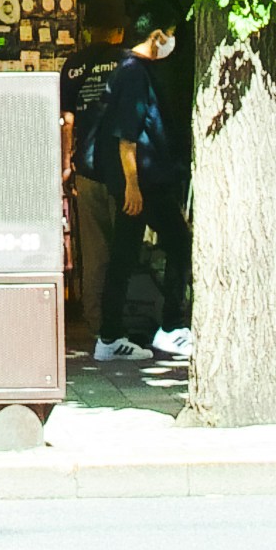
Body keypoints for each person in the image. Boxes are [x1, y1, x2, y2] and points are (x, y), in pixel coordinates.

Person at [76, 22, 188, 357]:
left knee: (122, 256)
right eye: (169, 35)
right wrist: (133, 186)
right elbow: (128, 137)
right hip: (145, 181)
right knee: (180, 244)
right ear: (156, 36)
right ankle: (170, 326)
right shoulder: (136, 74)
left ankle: (109, 337)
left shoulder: (124, 70)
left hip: (136, 180)